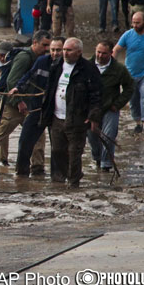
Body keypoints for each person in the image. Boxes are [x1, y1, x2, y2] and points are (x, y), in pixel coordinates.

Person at [0, 31, 52, 171]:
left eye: (49, 46)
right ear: (34, 43)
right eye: (44, 45)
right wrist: (19, 102)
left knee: (38, 136)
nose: (46, 49)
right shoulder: (24, 58)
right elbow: (12, 81)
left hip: (31, 106)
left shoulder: (41, 59)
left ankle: (37, 168)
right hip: (13, 106)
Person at [40, 38, 102, 188]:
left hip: (77, 119)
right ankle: (72, 175)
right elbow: (50, 90)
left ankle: (74, 184)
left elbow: (96, 95)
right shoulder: (57, 65)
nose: (65, 53)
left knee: (75, 153)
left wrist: (93, 117)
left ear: (79, 52)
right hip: (57, 117)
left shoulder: (88, 69)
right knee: (57, 151)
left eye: (69, 50)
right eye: (64, 50)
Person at [11, 36, 65, 177]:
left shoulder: (70, 66)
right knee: (24, 142)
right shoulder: (42, 62)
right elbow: (28, 77)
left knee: (58, 148)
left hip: (57, 113)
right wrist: (18, 89)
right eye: (52, 50)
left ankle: (57, 179)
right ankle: (21, 175)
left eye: (58, 50)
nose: (55, 53)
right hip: (38, 109)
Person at [87, 40, 134, 172]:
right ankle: (97, 159)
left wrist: (118, 103)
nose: (100, 56)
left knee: (109, 135)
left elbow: (130, 87)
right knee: (92, 136)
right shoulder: (87, 66)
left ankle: (106, 165)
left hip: (109, 108)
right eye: (98, 52)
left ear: (111, 53)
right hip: (90, 109)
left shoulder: (119, 69)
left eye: (104, 53)